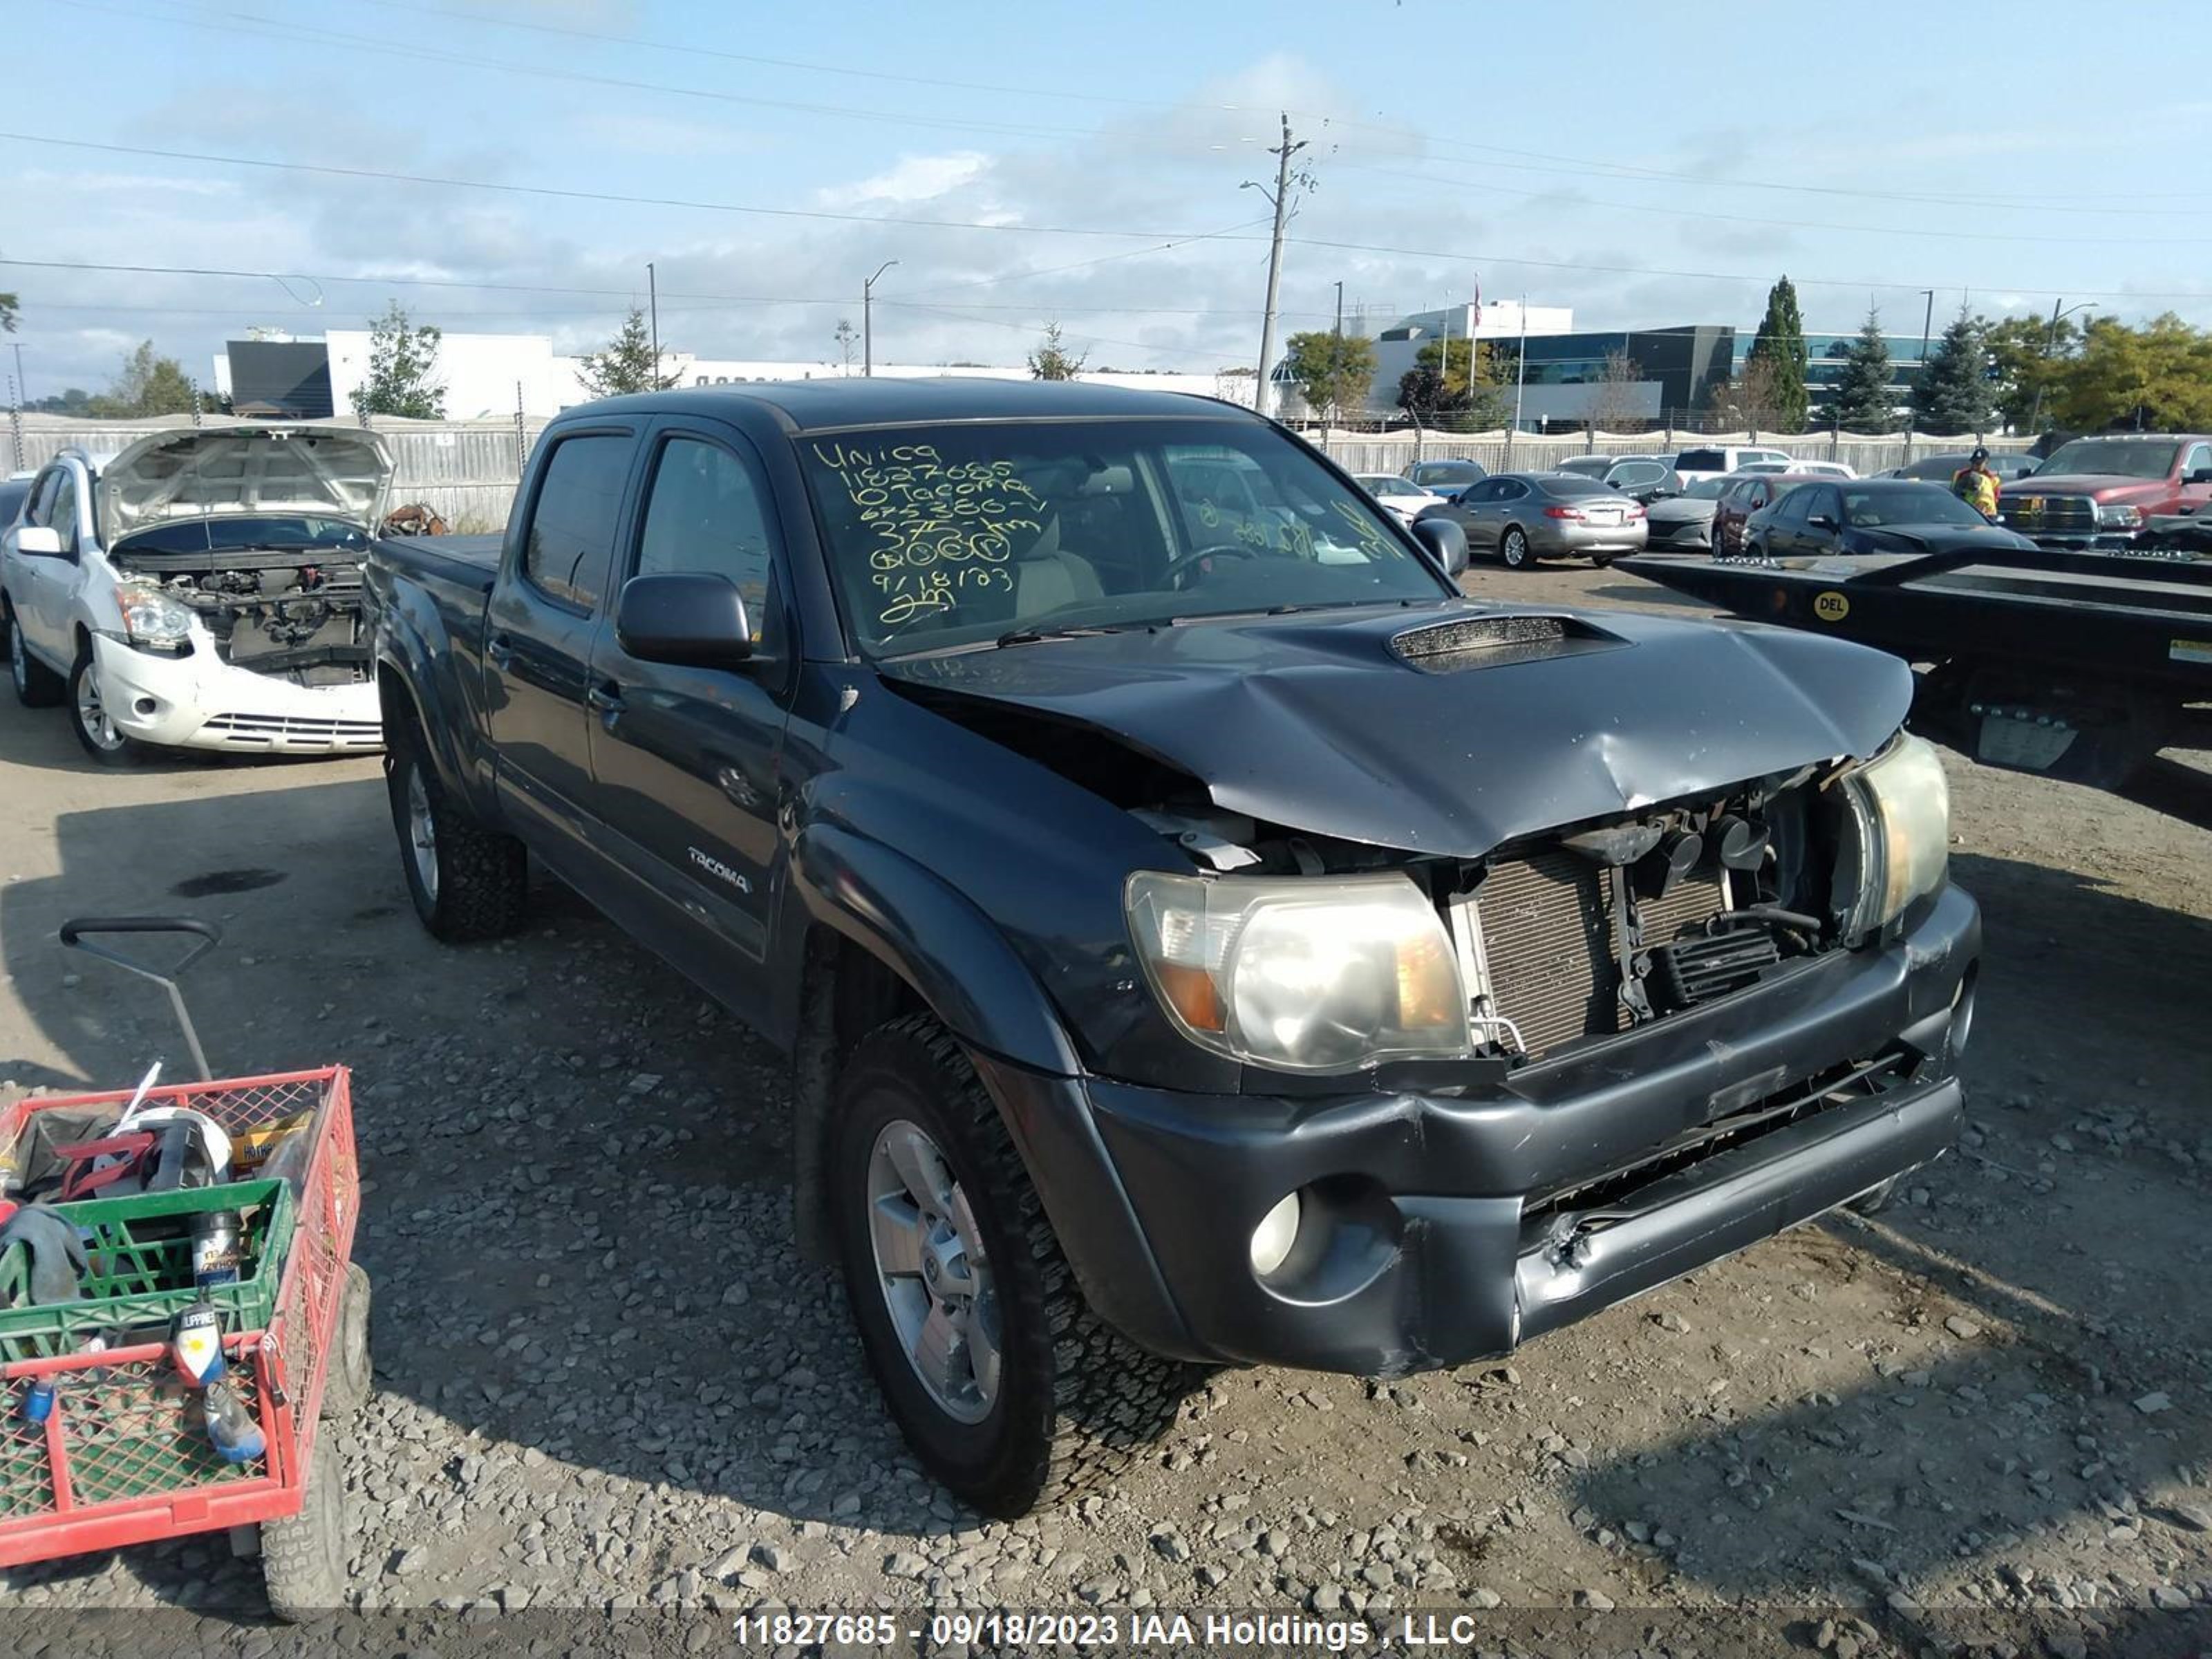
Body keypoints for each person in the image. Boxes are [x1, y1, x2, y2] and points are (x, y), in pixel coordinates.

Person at [1952, 447, 2001, 518]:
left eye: (1978, 464)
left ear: (1986, 462)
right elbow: (1954, 494)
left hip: (1986, 516)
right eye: (1973, 463)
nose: (1975, 466)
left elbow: (1994, 499)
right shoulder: (1961, 475)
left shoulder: (1992, 479)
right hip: (1965, 513)